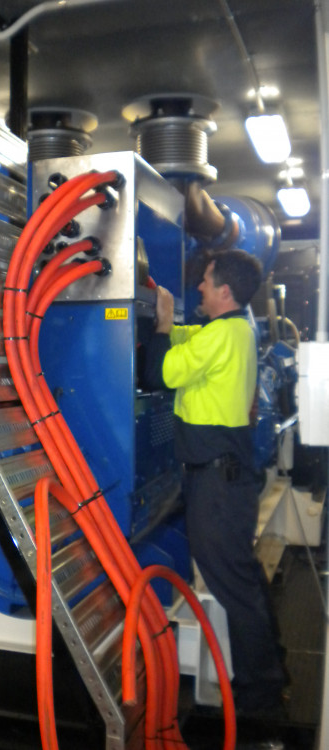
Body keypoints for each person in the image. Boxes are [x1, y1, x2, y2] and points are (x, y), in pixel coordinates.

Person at [144, 248, 287, 714]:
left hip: (217, 485)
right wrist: (165, 323)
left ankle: (260, 693)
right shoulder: (234, 328)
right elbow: (190, 337)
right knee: (241, 577)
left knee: (233, 584)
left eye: (206, 281)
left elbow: (160, 373)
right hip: (224, 478)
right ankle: (271, 669)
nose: (199, 287)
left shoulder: (224, 334)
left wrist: (161, 329)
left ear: (225, 291)